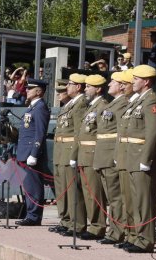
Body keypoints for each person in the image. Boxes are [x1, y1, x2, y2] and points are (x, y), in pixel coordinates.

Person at [124, 65, 156, 253]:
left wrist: (146, 158)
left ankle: (146, 240)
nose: (132, 81)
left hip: (142, 157)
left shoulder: (151, 100)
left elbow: (153, 132)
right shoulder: (139, 100)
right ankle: (138, 237)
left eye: (136, 78)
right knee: (136, 201)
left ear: (146, 81)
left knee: (144, 201)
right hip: (132, 156)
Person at [92, 71, 130, 245]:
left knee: (116, 197)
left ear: (122, 85)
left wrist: (115, 155)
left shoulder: (123, 104)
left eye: (113, 82)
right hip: (103, 153)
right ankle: (115, 230)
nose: (109, 85)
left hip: (110, 154)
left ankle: (118, 231)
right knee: (111, 196)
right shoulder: (114, 104)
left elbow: (119, 132)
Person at [70, 75, 108, 240]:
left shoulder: (102, 106)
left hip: (92, 154)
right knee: (86, 192)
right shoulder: (91, 106)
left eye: (89, 86)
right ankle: (91, 225)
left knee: (94, 193)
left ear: (98, 89)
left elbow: (101, 133)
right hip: (84, 153)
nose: (85, 89)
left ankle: (97, 227)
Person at [15, 79, 50, 226]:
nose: (27, 91)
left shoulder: (40, 107)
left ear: (39, 91)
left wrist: (34, 153)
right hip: (24, 151)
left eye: (30, 89)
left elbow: (40, 133)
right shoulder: (32, 107)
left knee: (34, 186)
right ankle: (30, 213)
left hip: (31, 153)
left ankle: (34, 216)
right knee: (28, 186)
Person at [59, 73, 89, 237]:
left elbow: (78, 132)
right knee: (67, 189)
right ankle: (70, 222)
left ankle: (77, 223)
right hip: (64, 149)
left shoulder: (81, 104)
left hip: (72, 149)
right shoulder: (72, 104)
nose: (67, 87)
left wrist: (74, 154)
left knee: (73, 190)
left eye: (70, 84)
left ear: (78, 87)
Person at [114, 69, 139, 250]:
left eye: (125, 83)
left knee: (137, 200)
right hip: (125, 154)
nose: (122, 87)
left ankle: (138, 237)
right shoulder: (131, 103)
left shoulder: (143, 102)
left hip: (136, 156)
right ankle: (130, 235)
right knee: (126, 198)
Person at [49, 79, 72, 233]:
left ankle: (72, 222)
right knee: (61, 188)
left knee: (69, 189)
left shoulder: (76, 106)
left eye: (61, 92)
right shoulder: (65, 108)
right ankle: (65, 220)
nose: (58, 95)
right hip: (60, 151)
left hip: (69, 151)